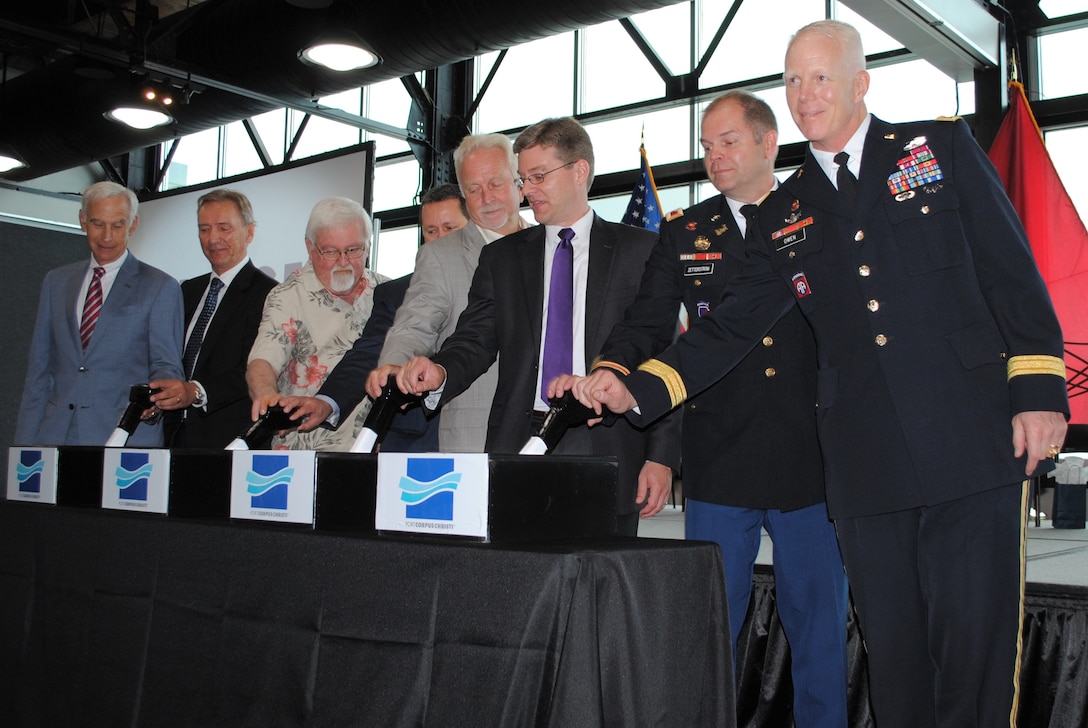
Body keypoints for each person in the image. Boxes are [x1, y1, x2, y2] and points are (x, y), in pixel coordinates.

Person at [558, 19, 1068, 728]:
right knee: (895, 655)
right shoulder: (788, 210)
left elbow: (1011, 272)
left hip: (971, 442)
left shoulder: (939, 148)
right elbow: (731, 324)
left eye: (821, 76)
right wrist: (638, 387)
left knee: (974, 653)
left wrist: (1038, 392)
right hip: (864, 468)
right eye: (793, 80)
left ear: (860, 82)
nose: (805, 93)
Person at [588, 91, 847, 726]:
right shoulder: (683, 233)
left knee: (818, 624)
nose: (714, 156)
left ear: (768, 144)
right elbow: (645, 324)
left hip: (808, 454)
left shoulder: (816, 217)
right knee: (710, 626)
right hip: (720, 455)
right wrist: (611, 369)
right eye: (706, 146)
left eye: (728, 141)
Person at [397, 117, 679, 536]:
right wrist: (440, 371)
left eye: (538, 176)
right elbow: (473, 339)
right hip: (519, 443)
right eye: (523, 178)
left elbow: (664, 357)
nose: (527, 190)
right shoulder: (502, 259)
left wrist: (661, 456)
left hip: (608, 443)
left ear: (579, 171)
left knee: (599, 587)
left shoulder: (642, 251)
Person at [283, 134, 529, 453]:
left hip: (552, 429)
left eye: (496, 183)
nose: (487, 198)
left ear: (518, 183)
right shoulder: (441, 256)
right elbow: (413, 325)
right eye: (473, 189)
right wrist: (394, 365)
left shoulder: (551, 245)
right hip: (477, 434)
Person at [282, 184, 468, 451]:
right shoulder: (394, 293)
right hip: (412, 442)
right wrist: (327, 402)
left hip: (484, 433)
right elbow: (368, 354)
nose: (440, 240)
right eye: (431, 231)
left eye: (450, 228)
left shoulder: (499, 284)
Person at [15, 181, 184, 447]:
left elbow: (167, 367)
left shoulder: (161, 286)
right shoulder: (56, 282)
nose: (107, 236)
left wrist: (156, 401)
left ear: (133, 225)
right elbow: (39, 372)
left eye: (117, 225)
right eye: (97, 223)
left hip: (124, 440)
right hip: (54, 437)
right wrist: (23, 449)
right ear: (82, 221)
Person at [246, 197, 389, 450]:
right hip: (304, 452)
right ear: (310, 249)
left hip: (377, 450)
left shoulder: (389, 291)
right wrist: (267, 395)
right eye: (331, 251)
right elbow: (263, 360)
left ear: (369, 246)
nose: (343, 261)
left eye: (354, 250)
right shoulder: (288, 296)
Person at [148, 189, 277, 448]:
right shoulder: (185, 291)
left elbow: (254, 368)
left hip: (229, 442)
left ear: (249, 232)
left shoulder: (271, 293)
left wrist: (194, 391)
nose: (213, 238)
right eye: (204, 229)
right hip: (172, 437)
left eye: (223, 228)